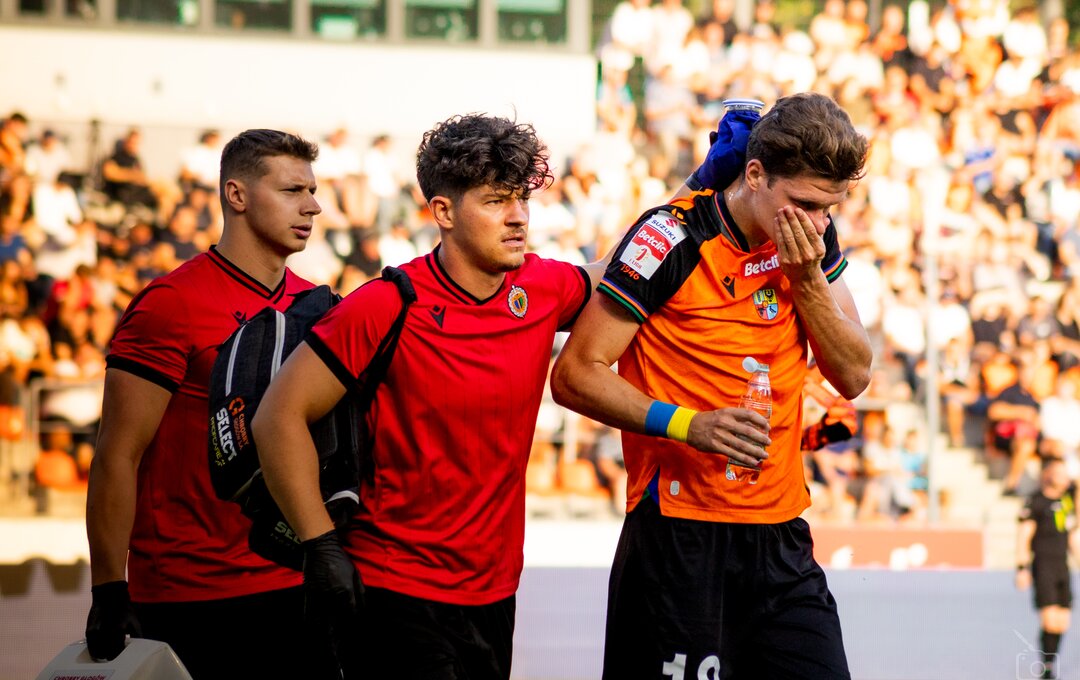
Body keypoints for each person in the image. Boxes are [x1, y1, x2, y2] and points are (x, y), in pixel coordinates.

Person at [252, 113, 603, 679]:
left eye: (521, 199)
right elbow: (277, 416)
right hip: (395, 590)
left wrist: (702, 189)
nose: (518, 216)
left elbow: (626, 269)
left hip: (495, 591)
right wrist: (320, 545)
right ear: (443, 212)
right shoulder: (387, 303)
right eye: (495, 201)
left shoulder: (543, 286)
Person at [550, 92, 872, 679]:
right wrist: (689, 425)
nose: (817, 223)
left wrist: (806, 280)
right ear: (755, 174)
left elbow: (853, 376)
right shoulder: (671, 237)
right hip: (679, 532)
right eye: (804, 204)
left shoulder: (811, 241)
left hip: (780, 537)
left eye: (830, 208)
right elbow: (574, 375)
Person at [84, 129, 338, 679]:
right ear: (236, 195)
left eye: (312, 191)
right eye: (292, 190)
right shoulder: (170, 305)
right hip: (190, 595)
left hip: (296, 583)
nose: (312, 206)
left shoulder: (320, 306)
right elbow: (117, 454)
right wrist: (108, 589)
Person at [1016, 457, 1079, 680]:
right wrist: (1022, 567)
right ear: (1047, 474)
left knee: (1062, 621)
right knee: (1049, 619)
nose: (1063, 478)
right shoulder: (1036, 501)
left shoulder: (1067, 501)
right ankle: (1047, 666)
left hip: (1062, 566)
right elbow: (1023, 536)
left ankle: (1050, 662)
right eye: (1058, 473)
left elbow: (1072, 536)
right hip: (1043, 565)